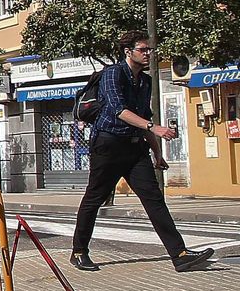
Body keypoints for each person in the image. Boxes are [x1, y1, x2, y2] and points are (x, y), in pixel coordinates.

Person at [71, 30, 214, 273]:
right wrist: (154, 128)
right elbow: (119, 110)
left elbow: (143, 116)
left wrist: (157, 153)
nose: (148, 54)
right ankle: (79, 251)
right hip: (108, 145)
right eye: (143, 50)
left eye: (149, 50)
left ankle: (179, 254)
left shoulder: (145, 81)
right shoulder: (113, 74)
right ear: (128, 52)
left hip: (135, 146)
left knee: (154, 199)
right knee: (94, 198)